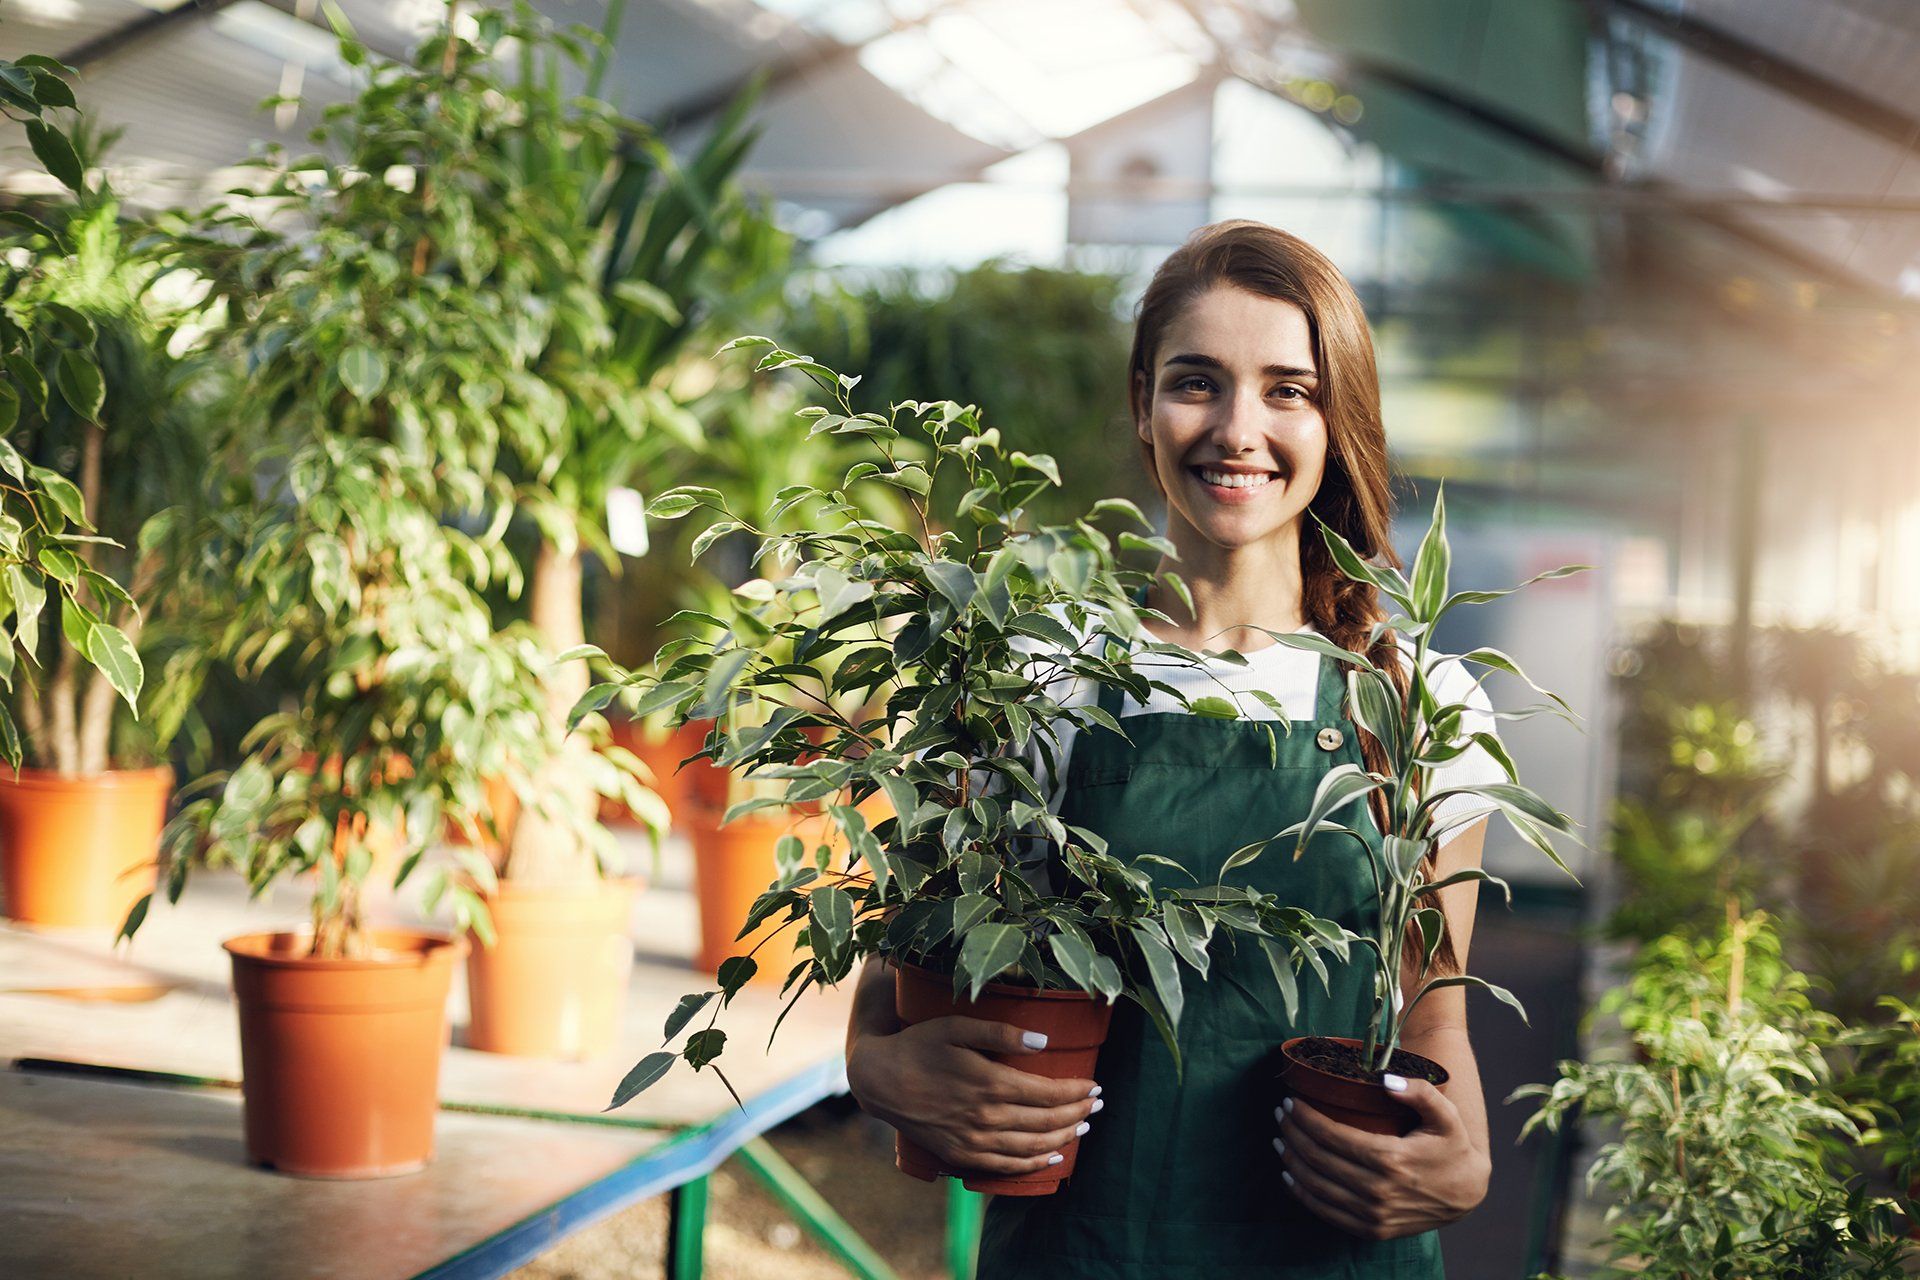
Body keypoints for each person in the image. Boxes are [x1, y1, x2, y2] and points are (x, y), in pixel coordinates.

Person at [843, 219, 1502, 1278]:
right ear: (1144, 401)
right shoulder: (1033, 674)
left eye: (1289, 388)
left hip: (1336, 1254)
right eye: (1200, 381)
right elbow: (897, 985)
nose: (1240, 427)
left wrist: (1465, 1170)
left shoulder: (1418, 704)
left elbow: (1436, 1015)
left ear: (1339, 420)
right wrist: (879, 1070)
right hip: (1091, 1248)